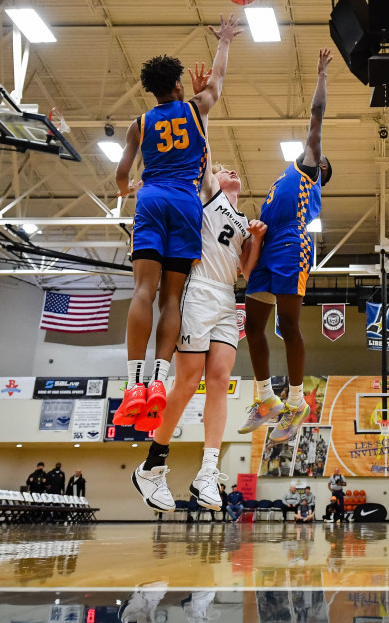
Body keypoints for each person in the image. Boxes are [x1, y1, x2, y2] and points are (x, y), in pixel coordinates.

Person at [113, 15, 241, 432]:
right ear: (180, 85)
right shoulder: (196, 107)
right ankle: (157, 381)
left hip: (150, 198)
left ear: (150, 90)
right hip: (186, 203)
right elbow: (218, 79)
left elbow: (120, 175)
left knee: (142, 290)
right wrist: (223, 41)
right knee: (172, 298)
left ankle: (133, 383)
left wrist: (127, 188)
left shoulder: (140, 123)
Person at [133, 132, 267, 513]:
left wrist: (256, 239)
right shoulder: (208, 194)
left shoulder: (242, 219)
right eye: (227, 169)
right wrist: (199, 109)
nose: (233, 171)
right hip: (198, 291)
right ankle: (152, 464)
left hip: (227, 296)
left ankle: (208, 471)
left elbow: (245, 271)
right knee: (189, 380)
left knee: (222, 380)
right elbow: (203, 153)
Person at [240, 48, 334, 446]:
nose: (312, 148)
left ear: (321, 168)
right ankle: (265, 397)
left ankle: (297, 401)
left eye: (318, 152)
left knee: (289, 324)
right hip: (271, 243)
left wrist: (321, 76)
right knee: (252, 325)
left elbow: (316, 117)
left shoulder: (310, 169)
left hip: (293, 243)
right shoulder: (284, 177)